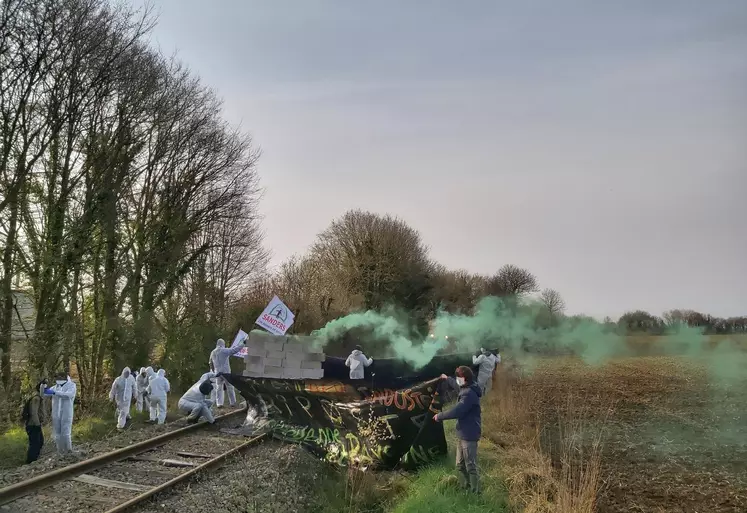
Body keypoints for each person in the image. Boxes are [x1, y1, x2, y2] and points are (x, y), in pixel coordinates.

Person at [433, 366, 482, 494]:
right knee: (460, 465)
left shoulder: (469, 394)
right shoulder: (467, 387)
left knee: (470, 465)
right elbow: (457, 386)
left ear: (464, 379)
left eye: (458, 377)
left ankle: (475, 492)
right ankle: (466, 485)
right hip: (463, 433)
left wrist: (439, 416)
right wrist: (447, 378)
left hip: (469, 434)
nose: (457, 380)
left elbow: (457, 411)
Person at [209, 338, 245, 407]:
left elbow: (210, 362)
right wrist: (243, 344)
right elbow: (234, 350)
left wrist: (213, 371)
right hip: (226, 372)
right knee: (230, 387)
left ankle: (219, 403)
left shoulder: (213, 352)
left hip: (217, 372)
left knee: (219, 387)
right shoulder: (224, 350)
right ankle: (233, 402)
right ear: (223, 344)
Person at [47, 371, 77, 455]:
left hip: (66, 413)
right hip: (56, 414)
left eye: (59, 378)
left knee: (66, 432)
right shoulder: (55, 387)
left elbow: (68, 395)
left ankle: (68, 451)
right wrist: (42, 387)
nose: (57, 379)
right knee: (57, 434)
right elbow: (44, 393)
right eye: (56, 378)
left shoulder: (72, 386)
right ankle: (60, 451)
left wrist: (55, 393)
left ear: (64, 377)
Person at [23, 380, 47, 463]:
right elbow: (34, 412)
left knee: (40, 442)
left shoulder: (38, 397)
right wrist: (37, 425)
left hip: (35, 424)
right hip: (33, 424)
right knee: (35, 444)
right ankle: (30, 461)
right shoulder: (36, 398)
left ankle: (34, 459)